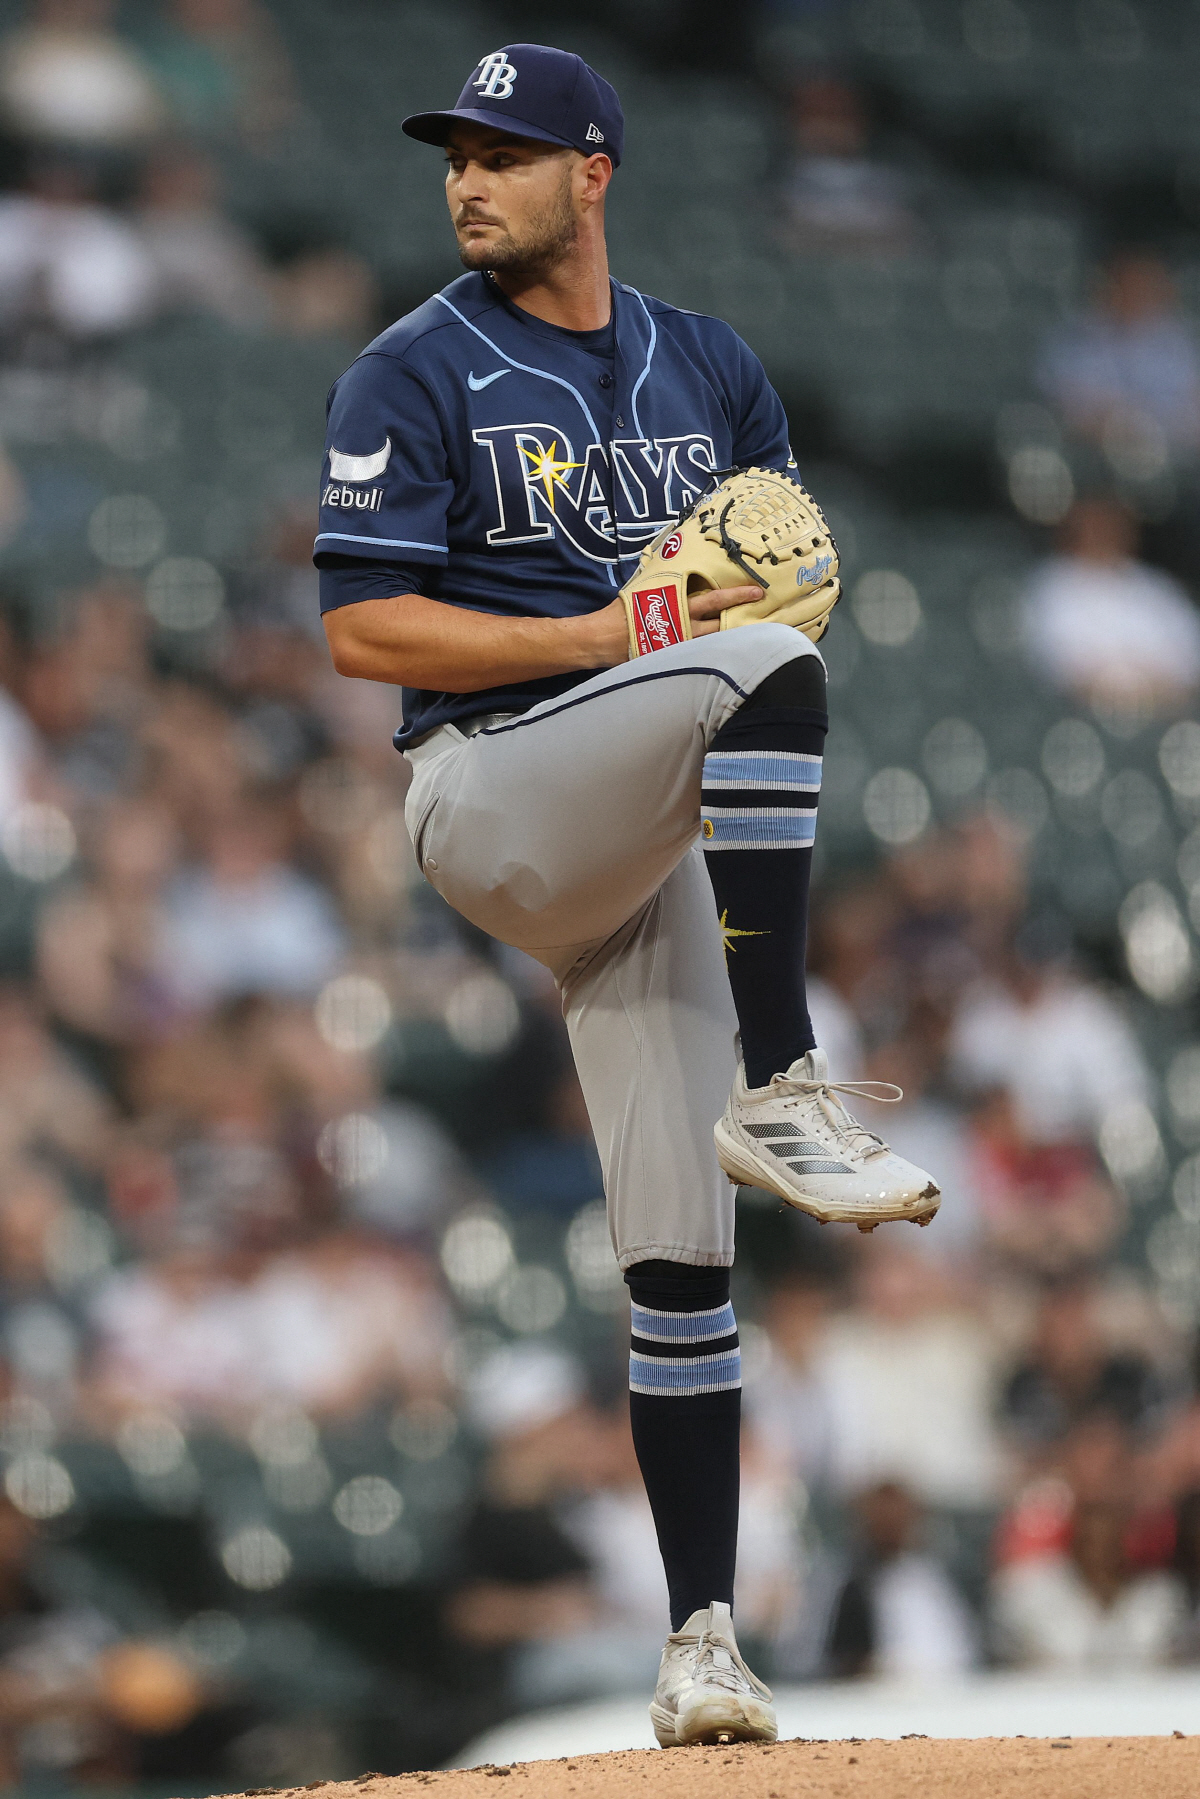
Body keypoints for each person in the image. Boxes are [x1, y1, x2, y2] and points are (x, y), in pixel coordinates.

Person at [315, 43, 938, 1748]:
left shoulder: (710, 365)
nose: (468, 181)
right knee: (758, 671)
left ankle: (703, 1642)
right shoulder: (412, 368)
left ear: (591, 173)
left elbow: (789, 565)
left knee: (681, 1254)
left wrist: (738, 607)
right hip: (494, 789)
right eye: (455, 154)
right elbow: (362, 629)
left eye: (504, 154)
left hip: (642, 830)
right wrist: (604, 630)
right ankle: (787, 1076)